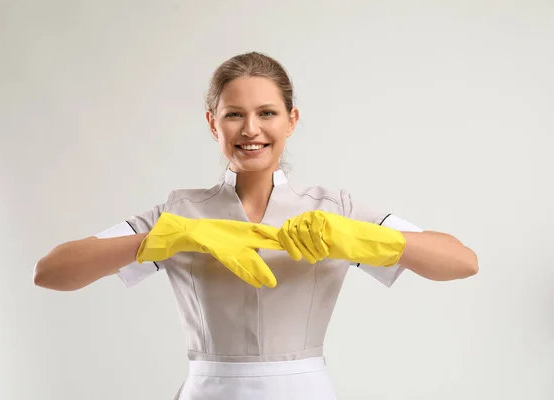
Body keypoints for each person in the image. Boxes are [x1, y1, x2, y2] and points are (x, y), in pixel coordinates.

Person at [33, 52, 479, 400]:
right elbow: (50, 272)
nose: (251, 129)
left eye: (267, 113)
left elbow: (462, 262)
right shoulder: (181, 212)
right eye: (233, 114)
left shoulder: (333, 209)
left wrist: (363, 238)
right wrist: (167, 238)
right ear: (213, 123)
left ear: (291, 120)